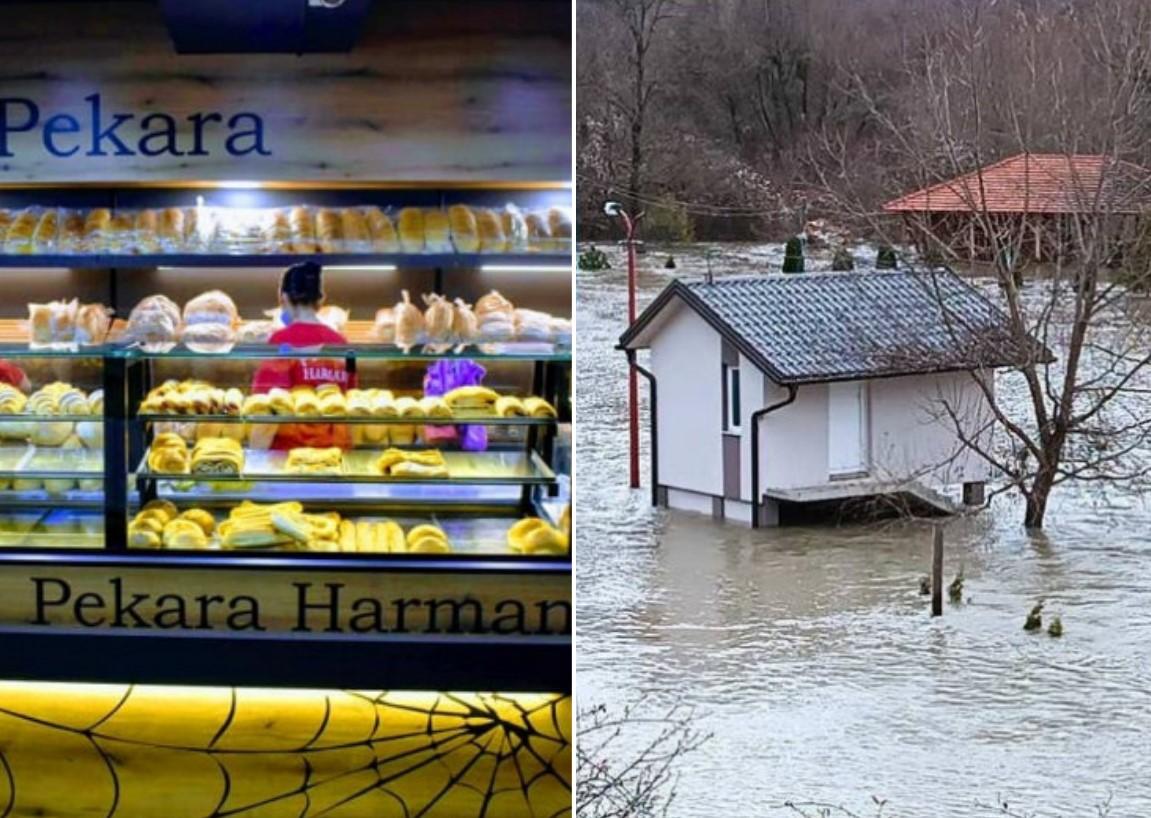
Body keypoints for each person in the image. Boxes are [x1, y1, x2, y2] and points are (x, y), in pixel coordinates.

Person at [250, 261, 354, 450]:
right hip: (333, 451)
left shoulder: (279, 341)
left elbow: (265, 405)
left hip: (289, 452)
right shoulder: (342, 342)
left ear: (284, 298)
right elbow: (352, 395)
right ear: (321, 299)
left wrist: (255, 453)